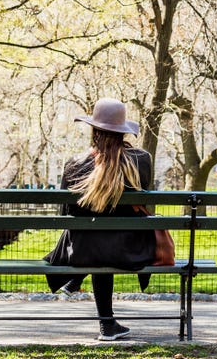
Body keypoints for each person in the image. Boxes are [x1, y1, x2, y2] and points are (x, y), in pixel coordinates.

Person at [44, 97, 155, 341]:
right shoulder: (141, 159)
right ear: (122, 131)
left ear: (94, 129)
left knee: (95, 237)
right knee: (107, 238)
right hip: (130, 250)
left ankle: (81, 284)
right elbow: (143, 203)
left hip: (84, 251)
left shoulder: (75, 163)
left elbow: (66, 214)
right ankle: (106, 324)